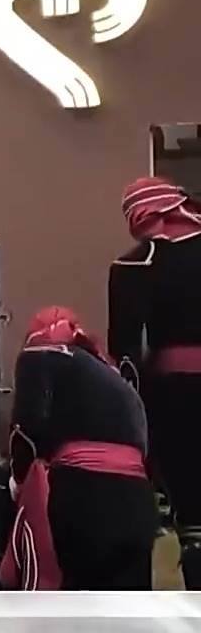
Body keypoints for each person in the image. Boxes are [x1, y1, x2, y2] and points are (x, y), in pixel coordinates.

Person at [1, 306, 157, 590]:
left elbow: (25, 433)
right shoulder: (108, 370)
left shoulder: (40, 352)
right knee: (128, 610)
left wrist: (18, 483)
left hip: (85, 495)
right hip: (139, 502)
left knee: (74, 605)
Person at [109, 175, 201, 587]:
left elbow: (126, 353)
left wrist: (135, 414)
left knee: (191, 505)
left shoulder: (136, 263)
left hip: (175, 396)